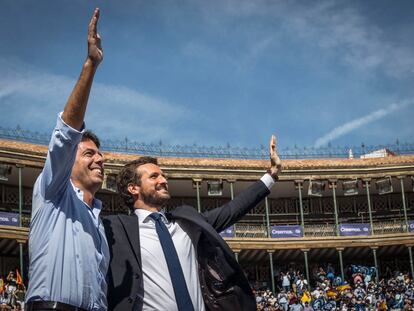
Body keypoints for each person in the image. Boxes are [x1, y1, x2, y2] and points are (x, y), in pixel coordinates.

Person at [103, 136, 282, 311]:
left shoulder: (186, 222)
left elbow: (231, 210)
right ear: (133, 188)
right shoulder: (115, 229)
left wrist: (271, 175)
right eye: (154, 176)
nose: (164, 180)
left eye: (163, 176)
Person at [25, 8, 109, 311]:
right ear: (68, 162)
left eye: (100, 155)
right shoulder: (53, 193)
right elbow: (67, 132)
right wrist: (91, 64)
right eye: (89, 153)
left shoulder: (99, 222)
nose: (99, 160)